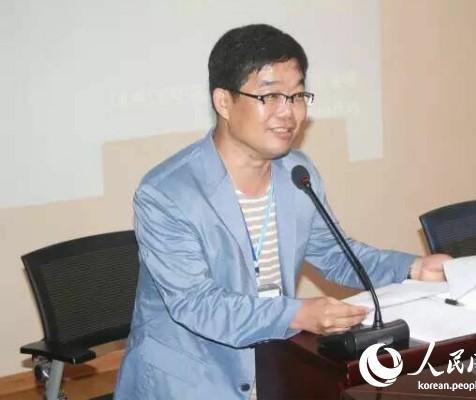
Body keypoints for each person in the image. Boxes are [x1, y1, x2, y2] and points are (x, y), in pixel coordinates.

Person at [115, 23, 449, 400]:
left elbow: (335, 254)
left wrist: (413, 268)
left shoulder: (297, 173)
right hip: (189, 382)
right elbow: (197, 305)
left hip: (273, 364)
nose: (288, 112)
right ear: (223, 102)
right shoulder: (167, 193)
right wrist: (297, 314)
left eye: (297, 95)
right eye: (271, 96)